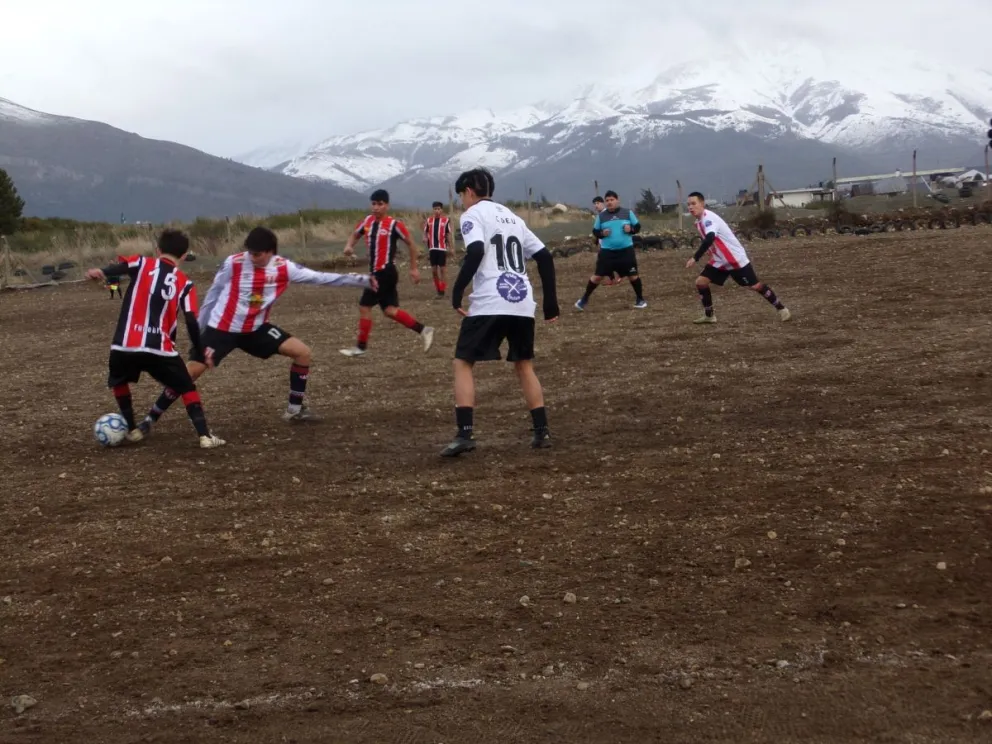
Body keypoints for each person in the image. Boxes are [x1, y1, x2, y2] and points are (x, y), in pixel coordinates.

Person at [136, 226, 375, 433]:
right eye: (249, 251)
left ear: (270, 252)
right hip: (222, 329)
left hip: (255, 330)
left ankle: (295, 410)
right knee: (189, 374)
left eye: (257, 254)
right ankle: (149, 419)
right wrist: (199, 331)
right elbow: (214, 293)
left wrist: (361, 280)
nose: (251, 257)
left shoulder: (284, 268)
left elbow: (321, 278)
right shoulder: (235, 263)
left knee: (303, 353)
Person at [440, 167, 559, 457]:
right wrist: (550, 302)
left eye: (461, 196)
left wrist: (456, 291)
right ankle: (541, 431)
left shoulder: (472, 215)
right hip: (521, 300)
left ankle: (465, 433)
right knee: (524, 365)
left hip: (491, 299)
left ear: (468, 192)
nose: (461, 203)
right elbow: (544, 256)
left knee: (463, 362)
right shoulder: (514, 218)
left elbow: (477, 251)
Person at [84, 229, 224, 448]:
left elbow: (121, 267)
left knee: (119, 381)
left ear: (158, 250)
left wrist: (100, 271)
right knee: (186, 386)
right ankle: (205, 436)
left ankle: (131, 429)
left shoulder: (142, 263)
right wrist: (200, 350)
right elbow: (191, 321)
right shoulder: (185, 284)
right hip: (159, 347)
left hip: (125, 344)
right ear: (185, 256)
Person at [339, 189, 435, 357]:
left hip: (384, 273)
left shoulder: (394, 225)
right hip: (379, 273)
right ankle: (424, 330)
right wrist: (349, 246)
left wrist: (413, 268)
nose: (376, 207)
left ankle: (361, 347)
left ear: (387, 206)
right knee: (390, 311)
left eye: (380, 204)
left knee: (364, 306)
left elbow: (412, 245)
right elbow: (355, 235)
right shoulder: (367, 222)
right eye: (374, 204)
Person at [684, 191, 792, 324]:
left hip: (735, 259)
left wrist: (695, 258)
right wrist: (712, 251)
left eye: (693, 204)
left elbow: (710, 238)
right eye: (688, 204)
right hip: (720, 260)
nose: (690, 207)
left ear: (702, 203)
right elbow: (714, 240)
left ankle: (781, 308)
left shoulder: (708, 219)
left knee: (755, 286)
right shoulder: (699, 221)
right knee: (701, 282)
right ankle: (709, 315)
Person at [574, 190, 646, 310]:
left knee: (633, 275)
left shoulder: (627, 213)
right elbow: (595, 232)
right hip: (607, 252)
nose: (609, 202)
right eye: (607, 200)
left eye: (612, 200)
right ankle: (584, 300)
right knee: (597, 277)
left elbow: (637, 227)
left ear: (617, 200)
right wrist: (602, 233)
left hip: (626, 251)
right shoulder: (601, 216)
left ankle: (640, 299)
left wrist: (631, 229)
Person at [424, 201, 454, 297]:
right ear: (433, 210)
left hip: (442, 248)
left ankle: (442, 289)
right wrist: (424, 237)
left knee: (442, 269)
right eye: (435, 209)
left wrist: (451, 247)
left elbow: (448, 234)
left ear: (441, 210)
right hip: (432, 248)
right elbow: (425, 231)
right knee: (433, 270)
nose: (437, 211)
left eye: (438, 209)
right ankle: (438, 288)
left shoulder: (445, 221)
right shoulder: (429, 220)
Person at [591, 196, 623, 287]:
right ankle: (614, 278)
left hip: (609, 243)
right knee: (606, 262)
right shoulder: (600, 215)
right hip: (602, 242)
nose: (596, 206)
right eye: (595, 204)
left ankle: (618, 276)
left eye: (598, 203)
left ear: (603, 203)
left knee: (607, 261)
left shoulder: (607, 214)